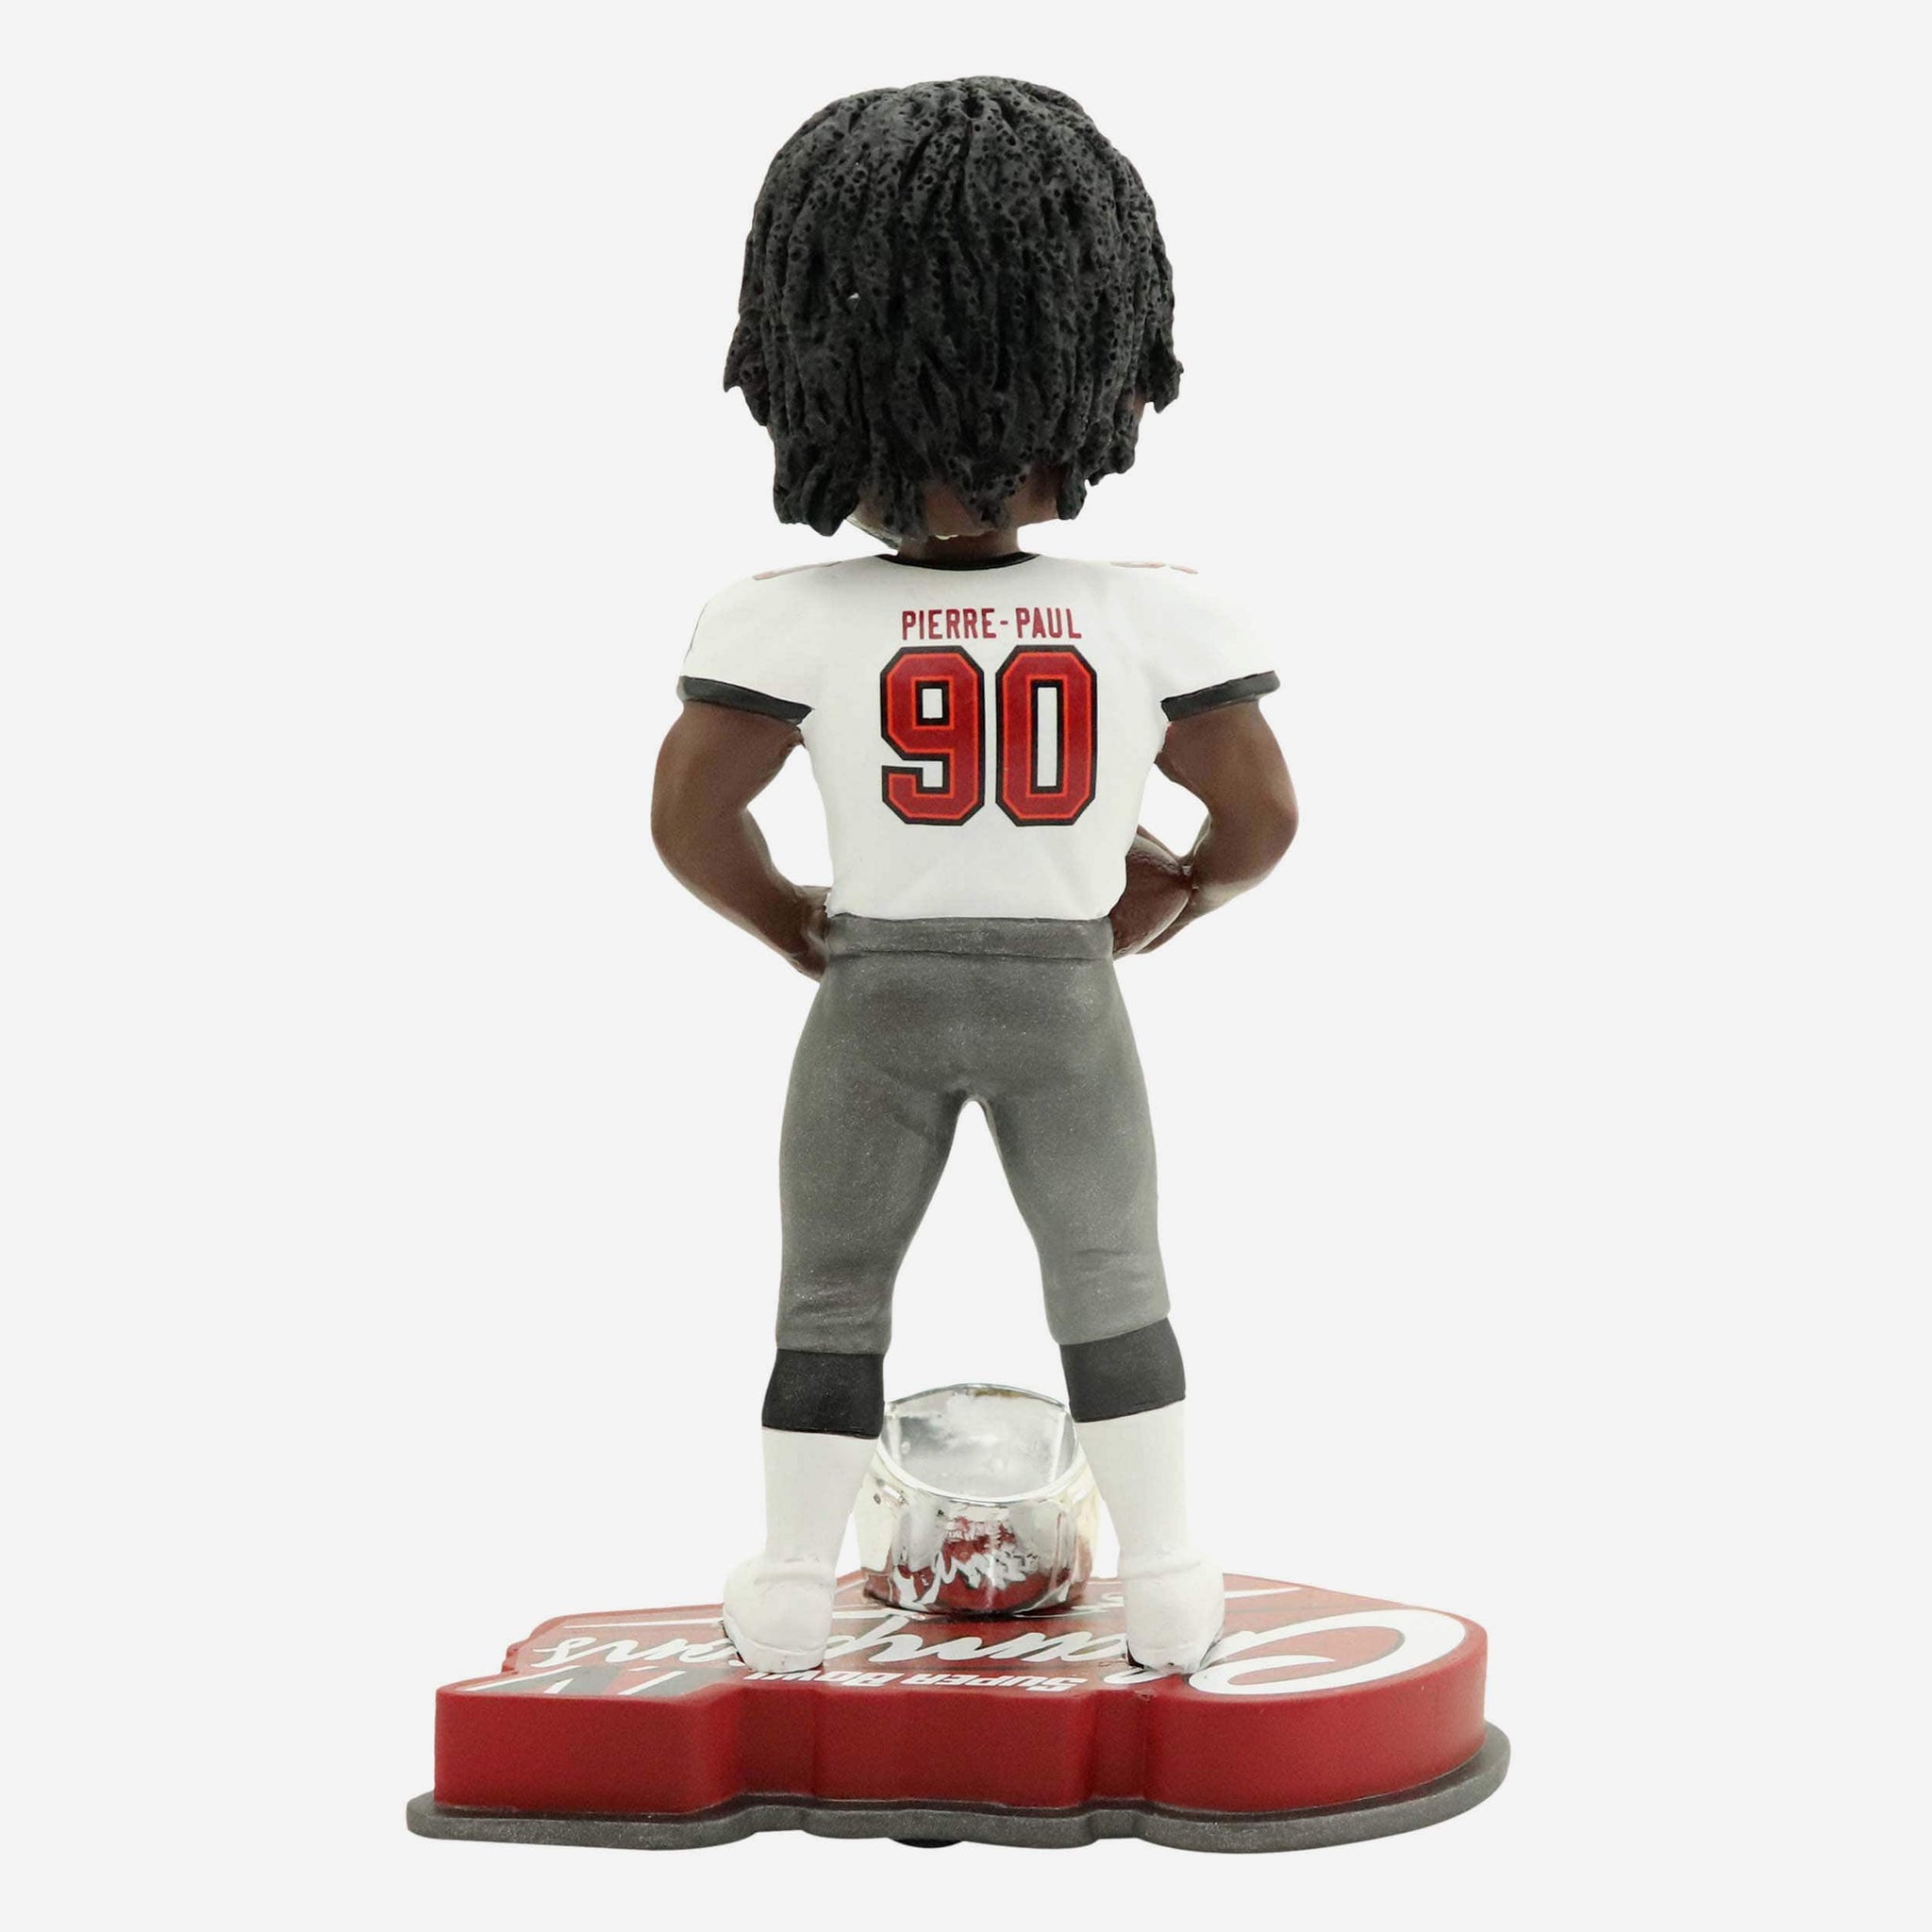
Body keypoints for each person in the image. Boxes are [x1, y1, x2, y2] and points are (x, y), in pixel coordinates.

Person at [653, 76, 1297, 1675]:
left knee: (828, 1294)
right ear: (1097, 368)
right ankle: (1169, 1578)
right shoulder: (1155, 613)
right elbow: (1259, 821)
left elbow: (692, 824)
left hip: (875, 990)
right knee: (1112, 1277)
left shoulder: (779, 619)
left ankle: (790, 1590)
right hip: (1063, 993)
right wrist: (1172, 896)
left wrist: (794, 926)